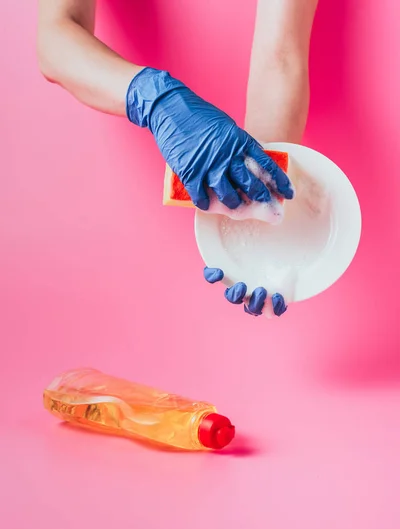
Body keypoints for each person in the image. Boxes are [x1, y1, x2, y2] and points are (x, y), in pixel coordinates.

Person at [37, 0, 319, 317]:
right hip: (114, 175)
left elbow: (280, 53)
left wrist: (258, 196)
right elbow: (56, 33)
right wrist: (153, 98)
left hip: (209, 189)